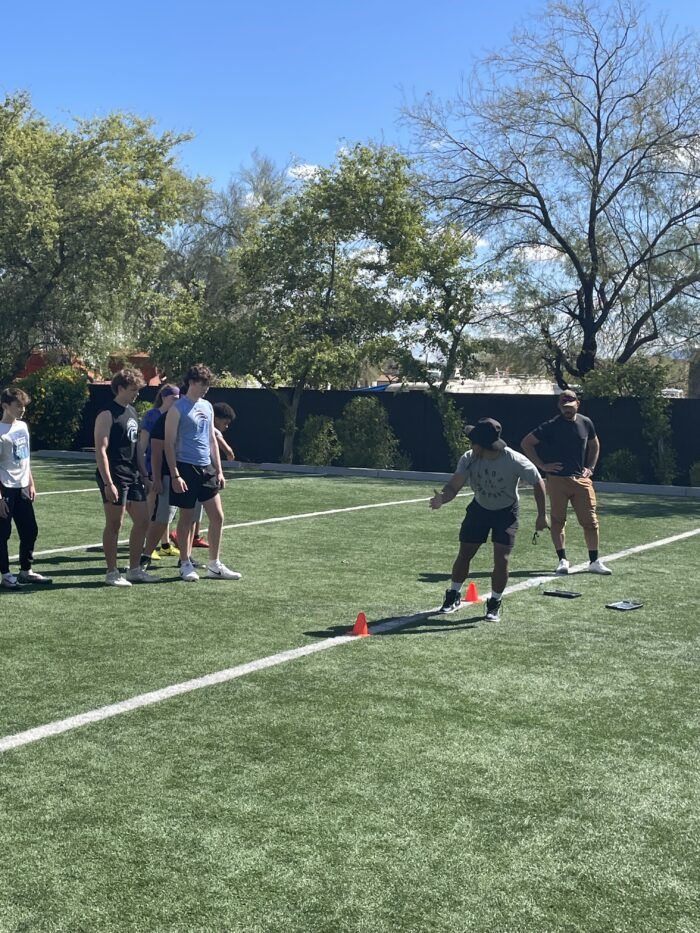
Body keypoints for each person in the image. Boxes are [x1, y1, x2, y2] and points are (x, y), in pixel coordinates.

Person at [430, 418, 548, 621]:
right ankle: (454, 594)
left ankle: (494, 603)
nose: (470, 445)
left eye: (473, 441)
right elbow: (453, 486)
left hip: (506, 512)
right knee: (465, 553)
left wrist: (541, 514)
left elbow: (538, 482)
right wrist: (442, 499)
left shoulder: (514, 460)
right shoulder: (469, 458)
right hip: (479, 509)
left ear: (482, 445)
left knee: (501, 559)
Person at [521, 390, 611, 575]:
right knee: (557, 521)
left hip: (581, 479)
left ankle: (594, 561)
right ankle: (562, 559)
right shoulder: (551, 425)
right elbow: (526, 443)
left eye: (570, 407)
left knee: (591, 521)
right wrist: (542, 465)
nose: (567, 410)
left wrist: (591, 467)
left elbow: (595, 445)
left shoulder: (586, 422)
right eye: (564, 407)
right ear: (559, 406)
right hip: (557, 481)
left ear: (578, 404)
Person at [164, 364, 241, 582]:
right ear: (191, 382)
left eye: (208, 383)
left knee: (217, 516)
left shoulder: (207, 406)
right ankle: (185, 563)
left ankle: (214, 564)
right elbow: (168, 444)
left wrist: (219, 470)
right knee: (186, 518)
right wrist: (176, 474)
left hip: (206, 468)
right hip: (185, 467)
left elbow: (211, 440)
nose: (205, 388)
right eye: (202, 383)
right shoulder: (177, 408)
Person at [94, 368, 156, 586]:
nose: (136, 394)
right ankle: (112, 573)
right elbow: (101, 450)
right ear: (120, 388)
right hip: (114, 474)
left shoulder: (132, 412)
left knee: (143, 520)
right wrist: (108, 482)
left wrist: (146, 475)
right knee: (114, 524)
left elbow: (137, 447)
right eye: (132, 390)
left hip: (133, 474)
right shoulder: (107, 413)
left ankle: (134, 569)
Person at [0, 387, 53, 588]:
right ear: (5, 406)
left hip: (22, 487)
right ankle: (6, 575)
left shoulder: (22, 426)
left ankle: (25, 571)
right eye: (18, 406)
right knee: (3, 534)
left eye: (23, 406)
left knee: (30, 530)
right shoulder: (0, 431)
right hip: (5, 488)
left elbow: (25, 458)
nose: (22, 410)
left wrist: (30, 482)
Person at [138, 384, 181, 560]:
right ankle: (148, 545)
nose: (176, 402)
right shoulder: (152, 415)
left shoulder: (176, 415)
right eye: (174, 399)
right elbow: (143, 443)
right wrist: (141, 466)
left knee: (165, 509)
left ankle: (164, 544)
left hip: (168, 466)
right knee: (152, 506)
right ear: (164, 397)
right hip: (152, 464)